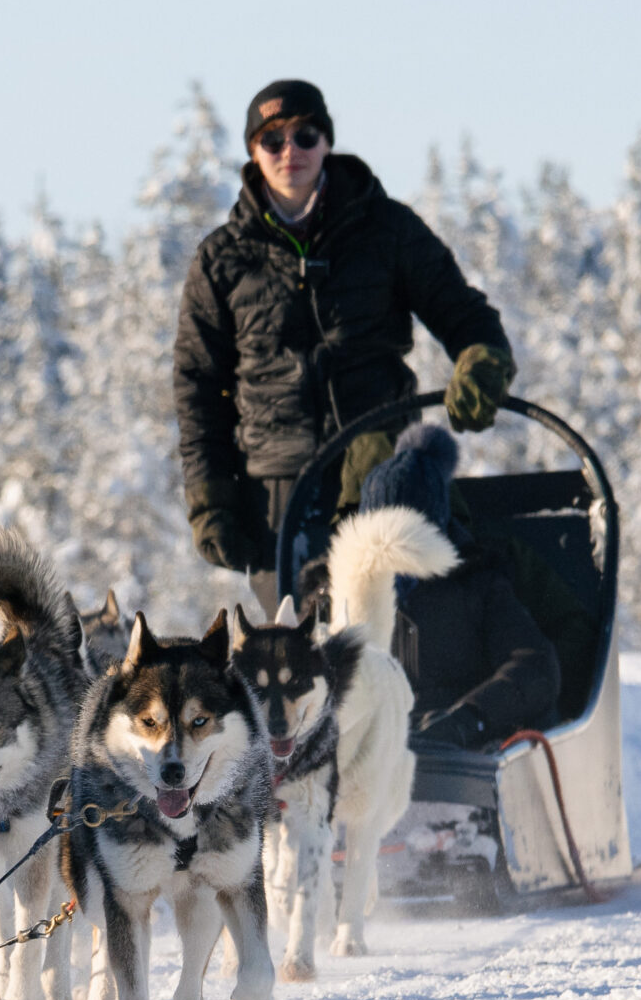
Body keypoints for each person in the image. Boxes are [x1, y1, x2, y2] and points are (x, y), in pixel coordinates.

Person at [174, 78, 516, 608]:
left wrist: (480, 363)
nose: (291, 151)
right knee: (307, 652)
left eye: (305, 135)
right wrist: (210, 499)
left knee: (402, 621)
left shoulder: (387, 229)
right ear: (252, 153)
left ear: (327, 142)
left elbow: (465, 313)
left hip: (380, 471)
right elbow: (199, 390)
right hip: (276, 492)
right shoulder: (221, 260)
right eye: (273, 140)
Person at [359, 423, 559, 750]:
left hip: (453, 762)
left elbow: (535, 666)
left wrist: (469, 718)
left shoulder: (476, 586)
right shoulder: (337, 592)